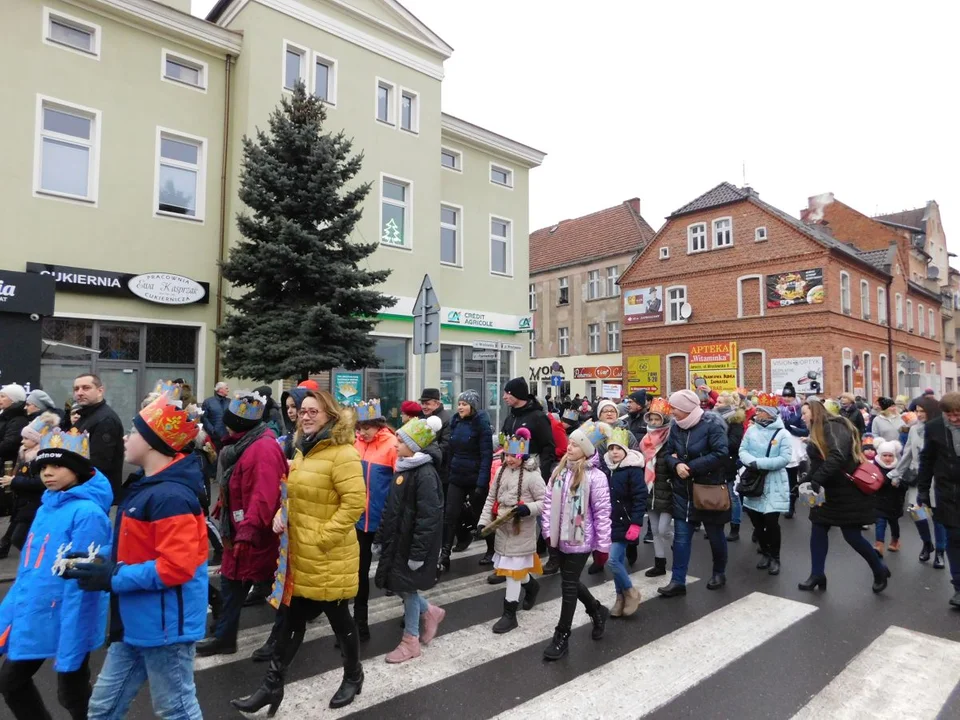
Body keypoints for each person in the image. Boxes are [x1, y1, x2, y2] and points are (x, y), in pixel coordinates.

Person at [67, 393, 208, 719]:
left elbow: (176, 567)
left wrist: (112, 576)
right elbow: (133, 547)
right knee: (102, 708)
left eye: (133, 432)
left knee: (176, 709)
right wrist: (93, 559)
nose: (125, 438)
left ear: (154, 443)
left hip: (165, 628)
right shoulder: (147, 487)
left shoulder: (170, 496)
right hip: (137, 621)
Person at [232, 390, 366, 713]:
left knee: (339, 619)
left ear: (329, 415)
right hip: (299, 556)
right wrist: (282, 512)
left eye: (313, 411)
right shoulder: (304, 449)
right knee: (290, 619)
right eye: (302, 411)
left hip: (329, 554)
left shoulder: (342, 453)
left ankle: (353, 675)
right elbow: (295, 493)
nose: (305, 416)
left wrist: (321, 537)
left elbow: (354, 505)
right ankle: (271, 687)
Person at [0, 426, 112, 720]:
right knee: (11, 681)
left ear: (77, 470)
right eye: (43, 466)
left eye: (57, 465)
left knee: (71, 694)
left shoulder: (87, 513)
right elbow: (28, 569)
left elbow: (83, 579)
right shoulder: (47, 506)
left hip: (67, 614)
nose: (47, 472)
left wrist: (75, 633)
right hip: (35, 609)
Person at [197, 391, 287, 657]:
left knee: (278, 587)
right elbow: (238, 484)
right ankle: (225, 637)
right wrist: (224, 506)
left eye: (228, 421)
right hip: (241, 530)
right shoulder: (241, 445)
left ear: (238, 424)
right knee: (232, 583)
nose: (224, 426)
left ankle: (281, 638)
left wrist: (247, 531)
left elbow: (264, 495)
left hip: (260, 534)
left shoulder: (263, 449)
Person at [797, 399, 890, 594]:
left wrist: (817, 479)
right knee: (818, 528)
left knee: (852, 535)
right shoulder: (818, 430)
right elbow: (817, 462)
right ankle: (817, 574)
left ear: (814, 413)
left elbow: (837, 456)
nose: (802, 417)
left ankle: (879, 569)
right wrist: (804, 481)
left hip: (847, 491)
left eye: (804, 413)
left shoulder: (833, 427)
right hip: (827, 491)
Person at [375, 415, 446, 663]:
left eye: (400, 441)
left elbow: (429, 518)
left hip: (410, 546)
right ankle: (431, 612)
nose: (395, 445)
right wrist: (380, 537)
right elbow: (390, 508)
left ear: (415, 445)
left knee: (407, 588)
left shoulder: (424, 475)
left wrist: (418, 554)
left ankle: (411, 640)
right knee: (399, 585)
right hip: (398, 541)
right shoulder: (404, 467)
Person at [540, 421, 611, 660]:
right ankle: (596, 609)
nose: (569, 447)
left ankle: (562, 635)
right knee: (570, 580)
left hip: (580, 540)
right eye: (569, 443)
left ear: (587, 450)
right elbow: (548, 503)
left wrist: (602, 547)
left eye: (576, 445)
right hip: (560, 538)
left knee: (568, 584)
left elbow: (602, 514)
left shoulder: (596, 477)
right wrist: (548, 532)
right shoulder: (559, 471)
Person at [659, 390, 730, 597]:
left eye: (675, 408)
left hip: (708, 489)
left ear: (686, 408)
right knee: (681, 539)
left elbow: (720, 453)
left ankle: (719, 573)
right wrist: (676, 464)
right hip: (683, 491)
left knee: (716, 536)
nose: (671, 412)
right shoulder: (675, 426)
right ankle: (678, 581)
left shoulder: (712, 424)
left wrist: (689, 467)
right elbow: (668, 452)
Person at [477, 428, 545, 633]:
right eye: (506, 455)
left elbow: (546, 501)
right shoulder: (500, 471)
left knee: (513, 573)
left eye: (514, 456)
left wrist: (529, 508)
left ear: (522, 455)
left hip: (521, 530)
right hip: (502, 529)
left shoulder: (533, 476)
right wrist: (483, 522)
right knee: (510, 569)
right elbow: (491, 499)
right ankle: (531, 586)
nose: (509, 459)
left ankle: (510, 614)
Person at [501, 377, 558, 573]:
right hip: (512, 470)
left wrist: (542, 471)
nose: (504, 397)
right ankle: (515, 558)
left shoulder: (537, 417)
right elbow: (505, 442)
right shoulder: (510, 417)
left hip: (533, 471)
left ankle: (554, 555)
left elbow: (548, 446)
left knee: (543, 514)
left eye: (507, 393)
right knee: (516, 513)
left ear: (517, 394)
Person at [352, 399, 397, 641]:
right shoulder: (355, 444)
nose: (362, 433)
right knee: (358, 573)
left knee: (393, 574)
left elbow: (400, 485)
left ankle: (420, 609)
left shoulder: (392, 445)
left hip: (383, 521)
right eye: (359, 428)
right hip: (359, 521)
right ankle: (360, 624)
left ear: (378, 425)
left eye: (367, 427)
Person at [916, 392, 960, 607]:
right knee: (954, 537)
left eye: (957, 415)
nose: (954, 419)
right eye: (949, 415)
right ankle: (959, 587)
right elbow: (927, 459)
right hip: (947, 491)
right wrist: (923, 490)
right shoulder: (934, 428)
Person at [740, 397, 792, 576]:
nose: (757, 413)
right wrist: (751, 463)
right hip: (754, 480)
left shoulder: (782, 434)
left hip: (774, 481)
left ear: (769, 414)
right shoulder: (751, 430)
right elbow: (742, 451)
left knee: (771, 522)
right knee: (756, 520)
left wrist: (759, 463)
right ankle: (765, 551)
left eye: (761, 411)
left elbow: (784, 458)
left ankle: (775, 557)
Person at [890, 397, 945, 565]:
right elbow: (907, 454)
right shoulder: (913, 430)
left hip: (937, 479)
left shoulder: (941, 428)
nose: (919, 414)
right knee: (917, 514)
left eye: (923, 411)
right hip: (918, 478)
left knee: (938, 517)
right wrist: (896, 474)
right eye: (917, 410)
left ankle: (940, 552)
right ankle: (927, 544)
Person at [441, 390, 494, 568]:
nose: (460, 407)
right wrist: (448, 472)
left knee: (481, 516)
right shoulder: (455, 422)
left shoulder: (482, 424)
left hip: (474, 478)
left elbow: (486, 455)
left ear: (472, 406)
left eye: (464, 404)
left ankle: (491, 549)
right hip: (456, 477)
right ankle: (445, 554)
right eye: (459, 403)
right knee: (450, 516)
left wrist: (481, 483)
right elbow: (451, 450)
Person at [0, 413, 60, 556]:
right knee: (19, 536)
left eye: (26, 438)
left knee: (19, 537)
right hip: (22, 503)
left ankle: (37, 559)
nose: (22, 441)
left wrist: (14, 481)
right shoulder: (25, 454)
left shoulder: (40, 458)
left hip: (33, 503)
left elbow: (40, 482)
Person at [604, 427, 646, 617]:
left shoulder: (633, 470)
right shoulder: (609, 469)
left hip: (626, 521)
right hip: (611, 521)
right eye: (611, 448)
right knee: (617, 561)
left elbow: (640, 497)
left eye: (618, 449)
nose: (614, 452)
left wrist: (636, 523)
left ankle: (630, 591)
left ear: (626, 451)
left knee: (613, 560)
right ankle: (619, 597)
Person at [66, 374, 124, 503]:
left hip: (94, 491)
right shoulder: (85, 415)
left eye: (86, 388)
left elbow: (99, 463)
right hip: (82, 488)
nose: (79, 393)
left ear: (100, 391)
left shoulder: (105, 419)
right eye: (76, 389)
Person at [640, 398, 673, 577]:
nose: (653, 423)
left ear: (665, 420)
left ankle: (679, 547)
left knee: (663, 529)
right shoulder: (645, 439)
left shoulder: (670, 437)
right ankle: (659, 563)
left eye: (657, 419)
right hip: (650, 488)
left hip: (666, 488)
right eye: (651, 419)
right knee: (654, 528)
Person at [714, 393, 745, 542]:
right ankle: (715, 526)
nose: (716, 404)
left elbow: (734, 444)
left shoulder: (735, 422)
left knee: (732, 496)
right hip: (714, 462)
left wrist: (717, 439)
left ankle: (735, 526)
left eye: (719, 402)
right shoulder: (712, 420)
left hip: (729, 462)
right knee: (715, 495)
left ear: (727, 405)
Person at [873, 440, 905, 556]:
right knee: (880, 521)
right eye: (884, 455)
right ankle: (879, 544)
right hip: (879, 500)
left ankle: (895, 540)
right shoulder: (875, 467)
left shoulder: (899, 468)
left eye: (890, 455)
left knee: (893, 522)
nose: (887, 458)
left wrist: (900, 484)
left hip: (894, 501)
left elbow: (905, 485)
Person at [419, 388, 452, 484]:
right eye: (422, 403)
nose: (424, 407)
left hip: (439, 470)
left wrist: (426, 454)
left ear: (437, 404)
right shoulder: (422, 417)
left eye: (427, 404)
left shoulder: (446, 420)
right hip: (425, 466)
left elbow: (445, 446)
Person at [0, 384, 30, 473]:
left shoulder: (18, 420)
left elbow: (9, 444)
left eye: (2, 396)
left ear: (13, 400)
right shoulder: (4, 417)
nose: (0, 399)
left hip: (8, 466)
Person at [202, 381, 231, 446]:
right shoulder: (208, 402)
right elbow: (204, 418)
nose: (228, 390)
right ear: (220, 389)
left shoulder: (230, 402)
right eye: (226, 388)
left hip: (227, 436)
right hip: (214, 437)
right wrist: (212, 430)